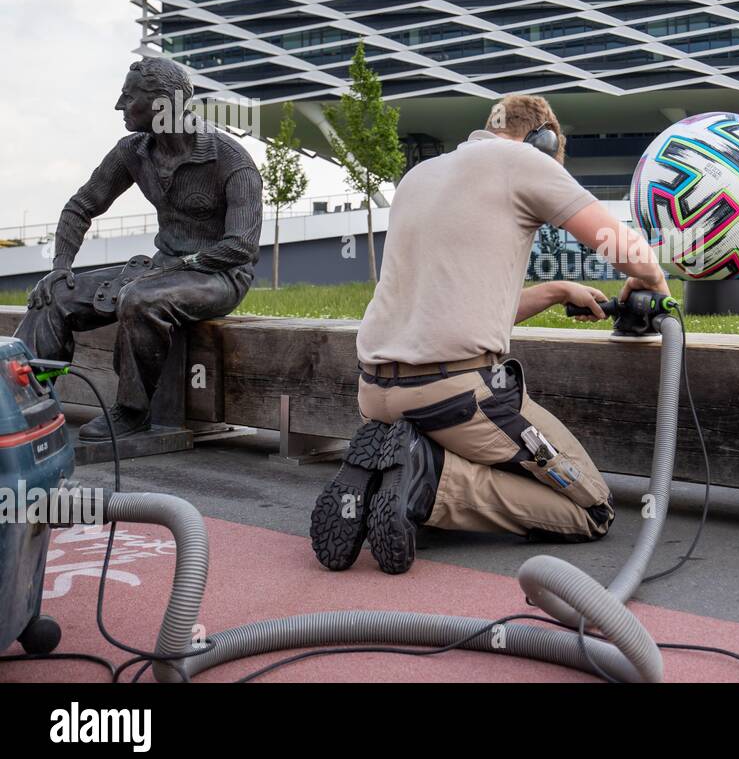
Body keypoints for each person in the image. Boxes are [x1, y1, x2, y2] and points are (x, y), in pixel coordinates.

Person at [311, 94, 670, 574]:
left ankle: (388, 473)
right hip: (453, 398)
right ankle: (431, 478)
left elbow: (450, 309)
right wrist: (652, 283)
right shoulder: (525, 161)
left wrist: (555, 291)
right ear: (543, 141)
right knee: (590, 508)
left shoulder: (418, 178)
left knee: (493, 450)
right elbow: (617, 244)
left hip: (376, 395)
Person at [17, 57, 262, 440]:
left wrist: (180, 265)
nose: (119, 106)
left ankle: (133, 412)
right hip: (162, 269)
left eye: (129, 97)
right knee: (53, 296)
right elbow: (81, 206)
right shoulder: (132, 151)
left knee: (139, 299)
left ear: (163, 103)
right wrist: (60, 265)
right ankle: (26, 404)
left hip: (220, 275)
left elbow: (242, 246)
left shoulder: (231, 161)